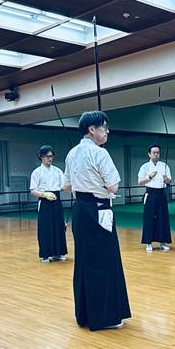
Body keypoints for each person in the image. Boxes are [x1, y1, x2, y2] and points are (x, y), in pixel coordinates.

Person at [63, 111, 131, 330]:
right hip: (99, 211)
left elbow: (67, 185)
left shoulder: (72, 153)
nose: (107, 131)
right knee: (104, 263)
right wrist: (98, 185)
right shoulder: (100, 153)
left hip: (80, 210)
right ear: (91, 130)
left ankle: (84, 315)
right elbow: (113, 186)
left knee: (84, 262)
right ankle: (105, 317)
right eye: (103, 128)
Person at [30, 145, 68, 262]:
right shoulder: (37, 172)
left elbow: (64, 186)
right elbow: (33, 190)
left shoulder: (57, 171)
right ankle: (45, 254)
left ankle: (58, 253)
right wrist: (44, 194)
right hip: (44, 201)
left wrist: (64, 188)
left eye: (51, 156)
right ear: (41, 157)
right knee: (45, 227)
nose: (50, 159)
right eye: (47, 156)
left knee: (58, 226)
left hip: (56, 200)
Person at [138, 143, 172, 252]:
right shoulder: (145, 166)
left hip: (161, 194)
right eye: (154, 153)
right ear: (149, 154)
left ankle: (163, 242)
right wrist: (148, 177)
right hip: (150, 194)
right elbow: (140, 182)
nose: (156, 154)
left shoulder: (164, 166)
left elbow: (169, 181)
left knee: (163, 218)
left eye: (158, 153)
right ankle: (148, 243)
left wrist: (166, 179)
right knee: (149, 218)